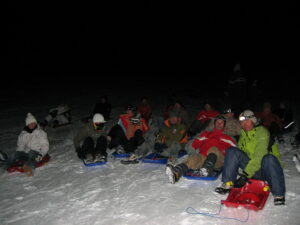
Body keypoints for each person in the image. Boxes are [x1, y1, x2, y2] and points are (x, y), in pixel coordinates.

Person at [214, 110, 286, 206]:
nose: (245, 124)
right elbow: (239, 155)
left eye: (247, 121)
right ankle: (228, 184)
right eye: (242, 122)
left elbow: (259, 156)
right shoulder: (243, 134)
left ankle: (279, 195)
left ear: (253, 120)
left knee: (268, 158)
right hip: (253, 170)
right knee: (232, 150)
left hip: (268, 170)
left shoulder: (262, 132)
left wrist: (245, 175)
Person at [165, 115, 236, 183]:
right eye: (217, 122)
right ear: (214, 124)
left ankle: (207, 169)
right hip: (204, 158)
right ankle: (176, 173)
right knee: (193, 158)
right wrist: (191, 148)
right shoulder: (206, 134)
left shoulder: (228, 137)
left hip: (219, 159)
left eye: (221, 122)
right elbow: (195, 142)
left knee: (213, 149)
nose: (219, 124)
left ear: (224, 125)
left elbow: (235, 150)